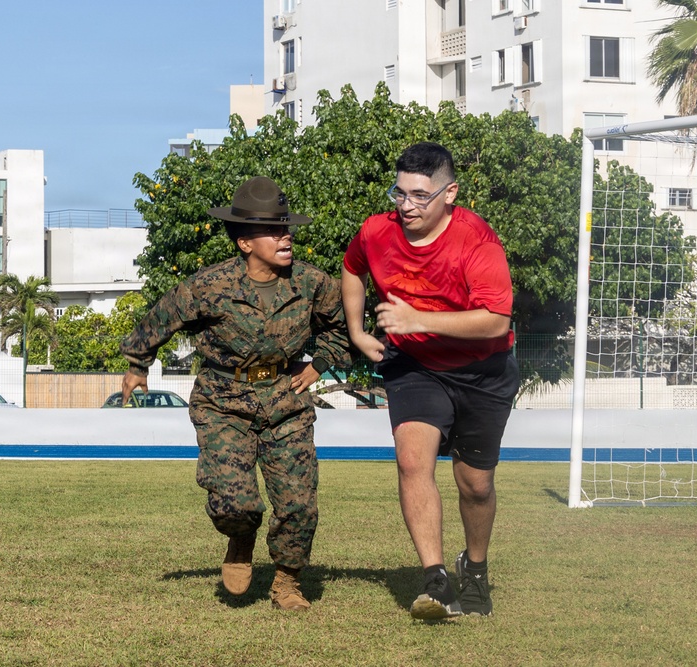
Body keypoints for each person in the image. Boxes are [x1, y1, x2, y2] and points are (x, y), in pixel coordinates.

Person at [120, 176, 351, 611]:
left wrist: (318, 364)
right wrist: (137, 365)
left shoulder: (312, 283)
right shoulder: (209, 286)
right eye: (273, 230)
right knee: (233, 501)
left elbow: (342, 331)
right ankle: (241, 540)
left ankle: (286, 582)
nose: (286, 236)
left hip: (285, 400)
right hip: (223, 401)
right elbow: (159, 319)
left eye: (287, 228)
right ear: (245, 242)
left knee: (299, 502)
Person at [341, 142, 518, 620]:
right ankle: (437, 581)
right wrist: (358, 332)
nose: (407, 206)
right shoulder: (377, 231)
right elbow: (352, 268)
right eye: (400, 194)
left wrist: (417, 317)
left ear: (450, 193)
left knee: (475, 484)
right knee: (412, 460)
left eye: (420, 196)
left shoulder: (477, 240)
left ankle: (474, 569)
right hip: (414, 366)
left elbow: (495, 322)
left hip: (484, 370)